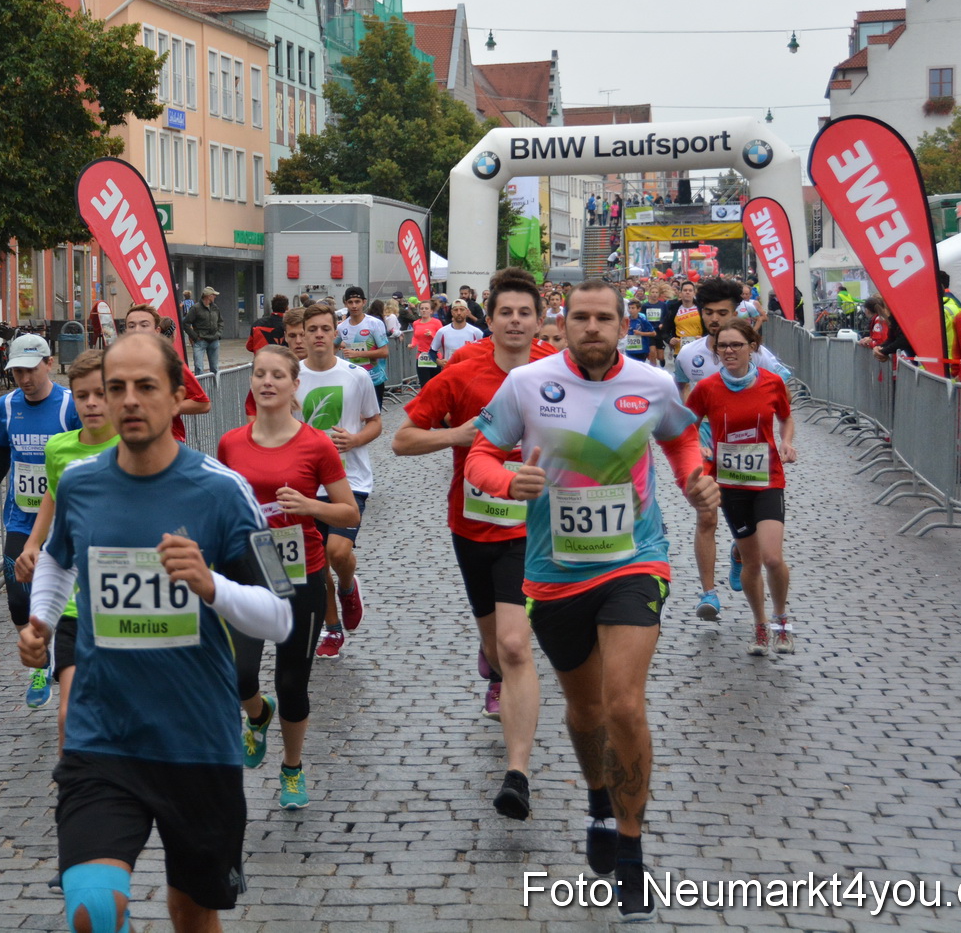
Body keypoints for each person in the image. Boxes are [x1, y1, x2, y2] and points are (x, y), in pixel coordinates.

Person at [19, 332, 291, 933]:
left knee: (191, 914)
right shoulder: (81, 484)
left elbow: (281, 616)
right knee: (92, 909)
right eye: (117, 388)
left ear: (175, 397)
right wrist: (42, 618)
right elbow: (61, 560)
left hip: (195, 740)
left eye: (146, 387)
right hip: (102, 735)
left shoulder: (223, 491)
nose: (129, 400)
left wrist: (212, 586)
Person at [466, 281, 720, 920]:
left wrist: (694, 478)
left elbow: (682, 439)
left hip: (636, 560)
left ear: (623, 323)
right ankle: (600, 798)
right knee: (584, 714)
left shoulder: (653, 384)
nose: (592, 327)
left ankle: (631, 850)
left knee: (624, 703)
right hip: (554, 572)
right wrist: (506, 477)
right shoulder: (527, 385)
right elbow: (480, 454)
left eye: (604, 317)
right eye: (580, 317)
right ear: (564, 321)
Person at [394, 270, 551, 819]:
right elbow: (403, 439)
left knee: (515, 645)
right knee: (495, 641)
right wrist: (457, 436)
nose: (514, 321)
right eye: (504, 312)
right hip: (472, 525)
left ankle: (517, 774)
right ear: (490, 315)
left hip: (532, 531)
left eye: (524, 313)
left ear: (538, 319)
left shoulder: (558, 368)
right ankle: (491, 663)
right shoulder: (462, 372)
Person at [220, 345, 358, 810]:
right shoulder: (231, 443)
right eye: (260, 374)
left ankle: (292, 768)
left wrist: (310, 506)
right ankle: (257, 717)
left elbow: (348, 510)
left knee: (292, 681)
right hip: (247, 570)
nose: (267, 382)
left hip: (301, 574)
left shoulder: (315, 444)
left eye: (278, 375)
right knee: (240, 677)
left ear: (294, 385)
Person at [15, 351, 114, 749]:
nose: (91, 403)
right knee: (69, 716)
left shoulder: (137, 446)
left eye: (101, 394)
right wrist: (33, 543)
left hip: (123, 602)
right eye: (81, 395)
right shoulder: (58, 448)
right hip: (75, 603)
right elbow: (53, 497)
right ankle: (75, 803)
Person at [672, 278, 788, 620]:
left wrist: (783, 436)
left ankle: (741, 552)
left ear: (737, 312)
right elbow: (681, 388)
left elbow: (780, 390)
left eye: (723, 313)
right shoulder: (690, 354)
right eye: (708, 313)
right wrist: (692, 425)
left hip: (750, 457)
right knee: (706, 517)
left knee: (750, 530)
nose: (715, 320)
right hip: (707, 453)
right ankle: (708, 594)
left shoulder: (758, 354)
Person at [684, 318, 799, 655]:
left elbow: (786, 416)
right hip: (731, 483)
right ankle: (760, 625)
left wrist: (786, 442)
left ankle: (781, 620)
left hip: (767, 479)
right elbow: (688, 424)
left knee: (772, 557)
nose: (729, 351)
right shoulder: (707, 388)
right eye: (722, 346)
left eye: (736, 345)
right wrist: (698, 446)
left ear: (752, 347)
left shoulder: (771, 382)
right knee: (751, 562)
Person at [0, 333, 79, 708]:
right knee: (18, 600)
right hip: (21, 517)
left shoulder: (69, 405)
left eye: (30, 369)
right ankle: (40, 663)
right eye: (16, 371)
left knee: (68, 598)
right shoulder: (6, 405)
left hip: (64, 518)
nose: (23, 378)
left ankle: (72, 659)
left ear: (48, 364)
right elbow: (2, 449)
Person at [299, 303, 382, 658]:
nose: (319, 334)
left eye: (325, 328)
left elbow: (375, 422)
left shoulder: (356, 375)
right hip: (305, 482)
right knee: (315, 565)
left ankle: (348, 586)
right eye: (312, 329)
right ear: (303, 334)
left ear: (336, 333)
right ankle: (332, 630)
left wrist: (355, 440)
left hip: (350, 479)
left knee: (337, 552)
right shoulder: (292, 376)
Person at [120, 304, 212, 441]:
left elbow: (203, 404)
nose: (137, 330)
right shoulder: (116, 364)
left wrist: (162, 406)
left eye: (144, 325)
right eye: (131, 326)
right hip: (128, 444)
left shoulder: (170, 363)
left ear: (156, 331)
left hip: (167, 443)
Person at [335, 287, 392, 408]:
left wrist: (358, 354)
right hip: (352, 379)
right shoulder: (341, 327)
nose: (354, 306)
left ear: (364, 302)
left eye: (357, 302)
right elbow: (333, 346)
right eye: (350, 302)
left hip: (374, 378)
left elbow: (384, 352)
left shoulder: (374, 323)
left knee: (373, 419)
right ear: (345, 304)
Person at [657, 280, 703, 357]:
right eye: (685, 290)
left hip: (698, 350)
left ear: (694, 293)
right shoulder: (673, 308)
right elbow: (665, 330)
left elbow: (710, 330)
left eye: (690, 290)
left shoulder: (702, 308)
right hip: (680, 352)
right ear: (680, 293)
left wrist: (703, 338)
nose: (687, 292)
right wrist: (669, 340)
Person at [184, 287, 224, 375]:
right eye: (213, 295)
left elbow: (220, 321)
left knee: (215, 368)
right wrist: (195, 337)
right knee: (199, 367)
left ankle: (215, 388)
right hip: (200, 341)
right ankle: (200, 388)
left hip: (214, 340)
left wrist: (218, 333)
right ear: (208, 296)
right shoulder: (195, 308)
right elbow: (186, 323)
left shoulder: (215, 307)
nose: (215, 297)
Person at [431, 300, 484, 365]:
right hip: (449, 371)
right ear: (452, 312)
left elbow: (485, 353)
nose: (459, 313)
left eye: (462, 310)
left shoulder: (476, 332)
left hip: (469, 372)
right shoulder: (442, 332)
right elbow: (432, 351)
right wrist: (439, 362)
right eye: (456, 310)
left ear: (467, 312)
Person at [410, 300, 445, 388]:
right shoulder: (416, 323)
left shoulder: (436, 322)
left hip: (434, 356)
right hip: (421, 356)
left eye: (426, 308)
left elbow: (442, 339)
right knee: (424, 385)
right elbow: (415, 337)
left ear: (431, 311)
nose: (424, 310)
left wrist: (432, 335)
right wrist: (412, 344)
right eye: (422, 308)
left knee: (435, 384)